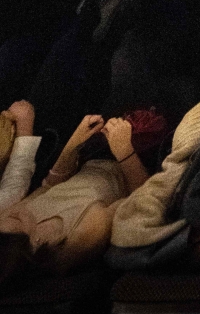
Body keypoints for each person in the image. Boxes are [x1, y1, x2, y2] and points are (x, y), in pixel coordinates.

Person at [0, 107, 148, 282]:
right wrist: (125, 151)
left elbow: (48, 187)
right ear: (30, 248)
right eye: (16, 220)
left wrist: (74, 143)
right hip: (138, 158)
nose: (11, 213)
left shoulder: (8, 224)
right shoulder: (83, 235)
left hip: (92, 154)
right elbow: (143, 200)